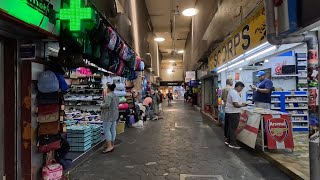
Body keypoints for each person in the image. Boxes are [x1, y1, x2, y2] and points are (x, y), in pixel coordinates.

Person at [225, 81, 247, 149]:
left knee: (230, 128)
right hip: (233, 112)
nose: (241, 90)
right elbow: (235, 104)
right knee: (233, 128)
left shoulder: (232, 92)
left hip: (230, 112)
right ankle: (233, 143)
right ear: (239, 86)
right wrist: (243, 105)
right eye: (241, 88)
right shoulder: (234, 93)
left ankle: (228, 141)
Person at [101, 84, 119, 153]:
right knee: (112, 129)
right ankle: (112, 144)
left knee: (106, 130)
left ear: (108, 89)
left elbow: (107, 105)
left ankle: (109, 146)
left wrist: (101, 105)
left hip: (108, 116)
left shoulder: (108, 96)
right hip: (114, 115)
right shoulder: (116, 95)